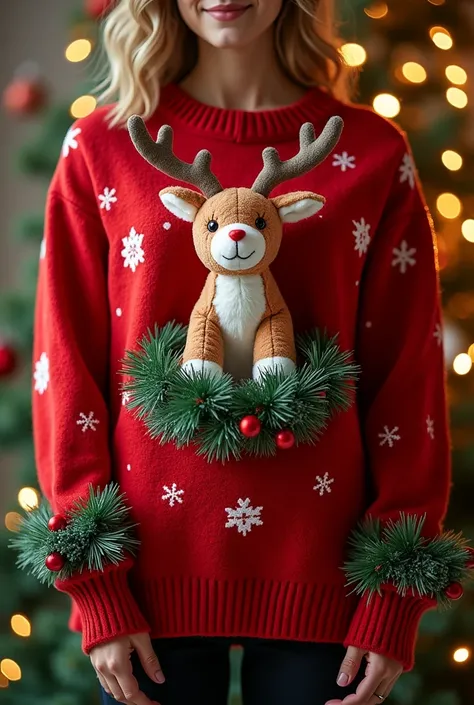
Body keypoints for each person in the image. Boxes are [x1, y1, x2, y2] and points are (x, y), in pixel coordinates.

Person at [32, 0, 451, 703]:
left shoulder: (373, 152)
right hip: (144, 579)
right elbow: (65, 367)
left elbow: (406, 379)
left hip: (328, 586)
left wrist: (393, 591)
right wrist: (96, 585)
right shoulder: (102, 146)